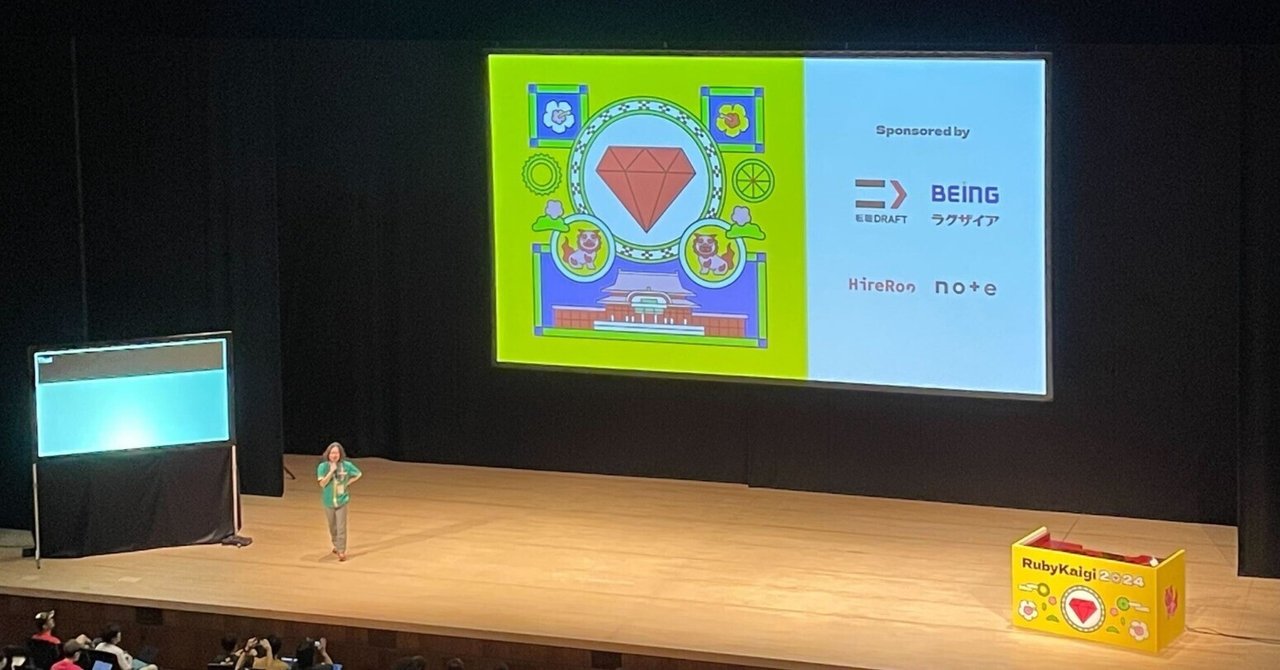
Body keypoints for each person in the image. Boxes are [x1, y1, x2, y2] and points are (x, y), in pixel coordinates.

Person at [317, 442, 362, 561]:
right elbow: (322, 484)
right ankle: (336, 545)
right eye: (332, 453)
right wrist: (331, 471)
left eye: (337, 453)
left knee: (341, 526)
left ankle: (341, 550)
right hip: (328, 501)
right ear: (328, 454)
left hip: (342, 500)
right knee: (332, 526)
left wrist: (347, 483)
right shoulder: (323, 467)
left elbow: (358, 474)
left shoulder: (346, 465)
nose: (334, 455)